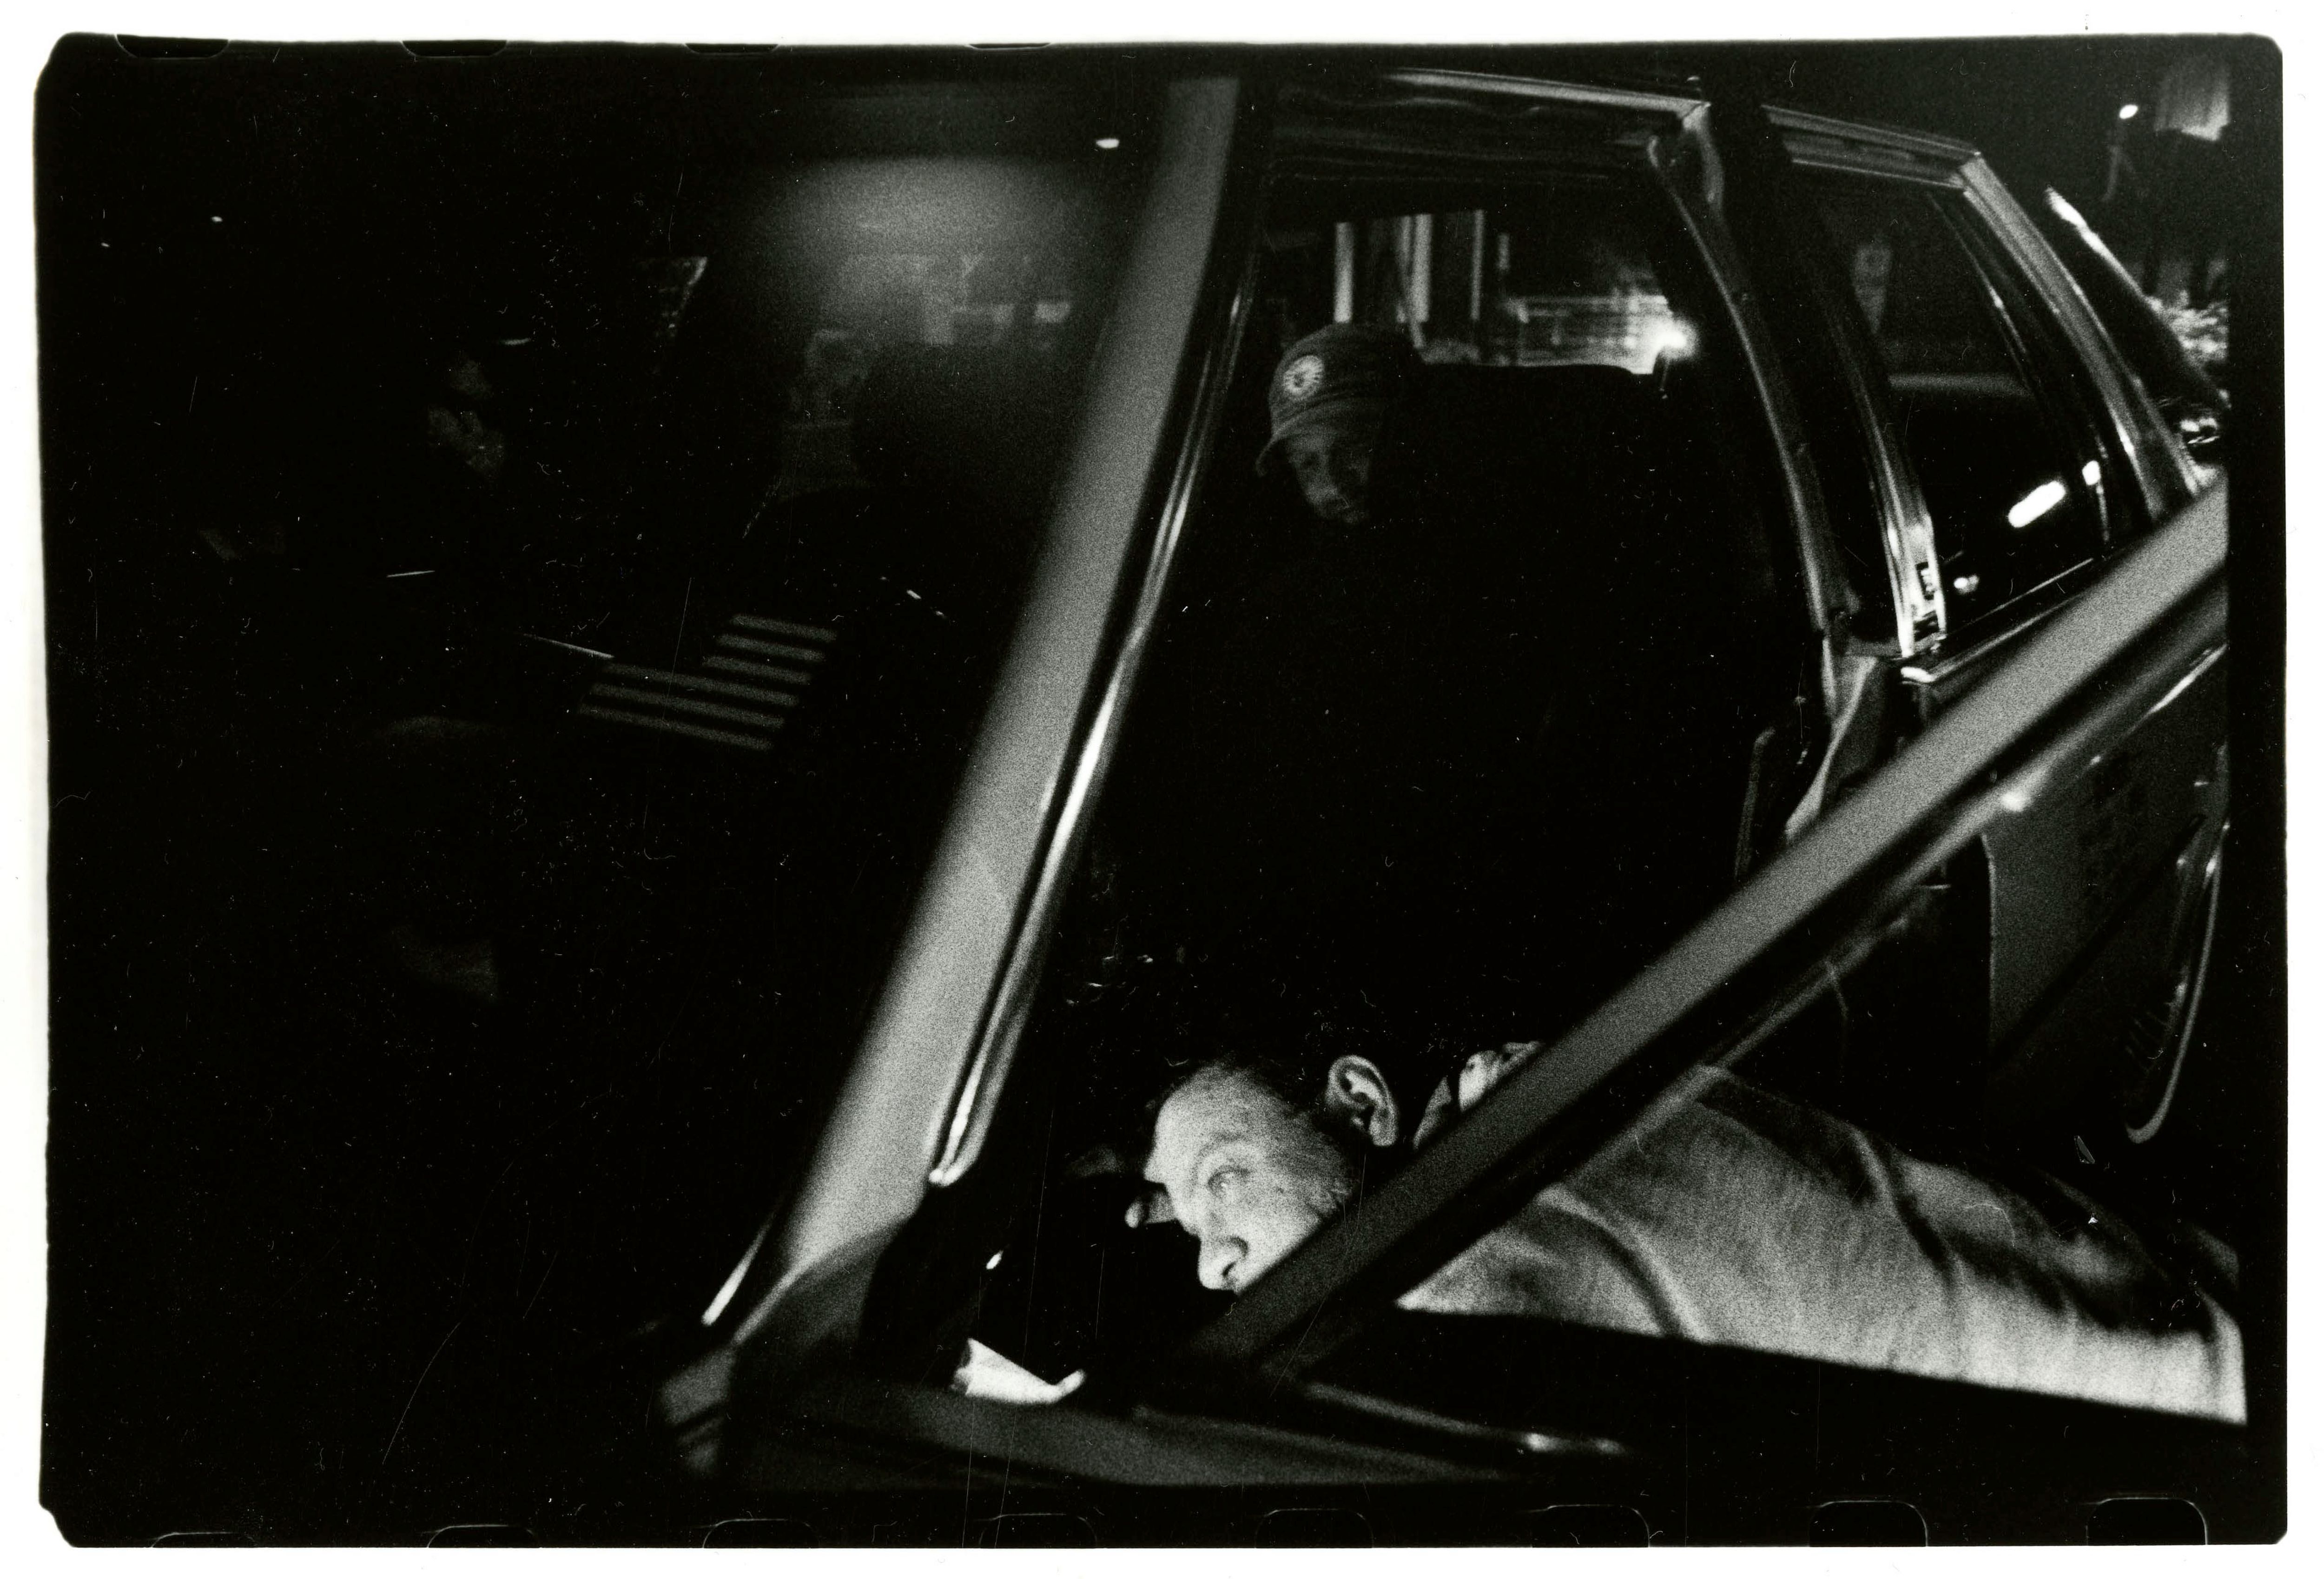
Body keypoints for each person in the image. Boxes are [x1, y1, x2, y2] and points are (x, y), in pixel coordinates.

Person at [1131, 1040, 2245, 1423]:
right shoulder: (1532, 1084)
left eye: (1223, 1180)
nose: (1211, 1258)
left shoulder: (1468, 1273)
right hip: (2176, 1297)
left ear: (1360, 1102)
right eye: (1184, 1222)